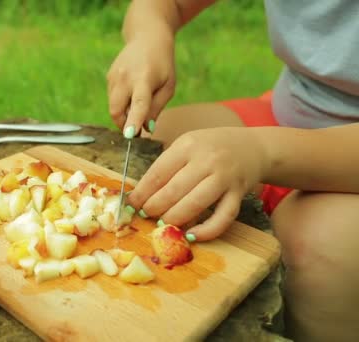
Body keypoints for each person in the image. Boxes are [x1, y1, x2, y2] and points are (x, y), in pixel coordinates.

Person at [106, 1, 359, 341]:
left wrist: (262, 151)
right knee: (149, 154)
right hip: (292, 113)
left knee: (317, 253)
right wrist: (150, 34)